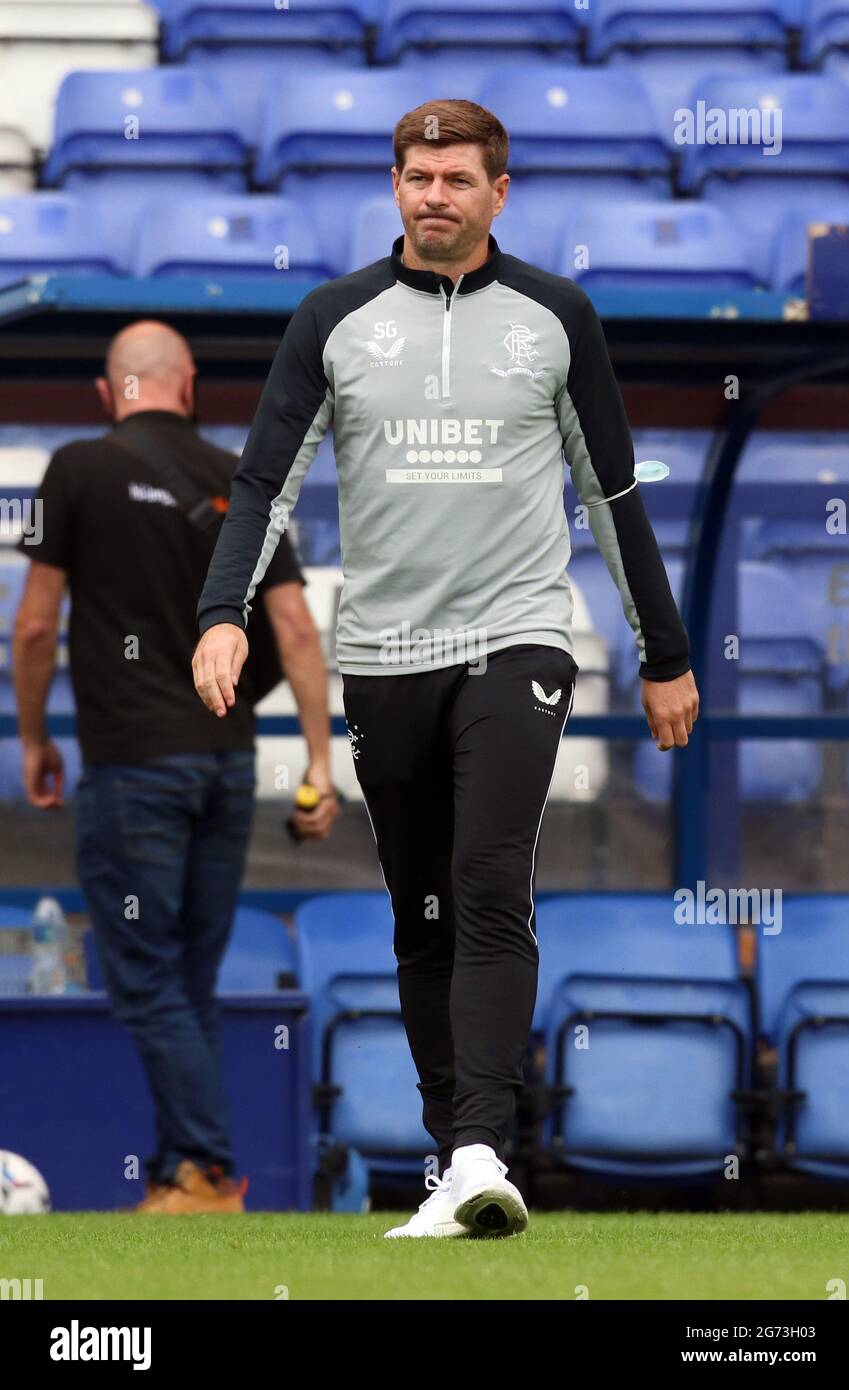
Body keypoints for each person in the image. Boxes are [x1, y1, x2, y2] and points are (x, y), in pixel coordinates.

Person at [192, 100, 700, 1237]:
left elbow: (612, 492)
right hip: (384, 656)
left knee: (487, 877)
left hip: (517, 637)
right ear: (394, 185)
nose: (435, 195)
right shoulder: (331, 319)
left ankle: (480, 1147)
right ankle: (452, 1164)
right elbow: (263, 483)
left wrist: (663, 652)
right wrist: (222, 613)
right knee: (420, 911)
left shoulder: (557, 316)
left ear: (497, 193)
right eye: (417, 176)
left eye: (457, 178)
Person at [13, 320, 339, 1214]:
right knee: (188, 981)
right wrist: (320, 764)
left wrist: (35, 739)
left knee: (144, 978)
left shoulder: (75, 468)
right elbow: (296, 628)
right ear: (188, 386)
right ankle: (178, 1174)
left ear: (107, 391)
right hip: (227, 767)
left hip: (133, 769)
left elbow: (34, 625)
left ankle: (202, 1169)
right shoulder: (240, 479)